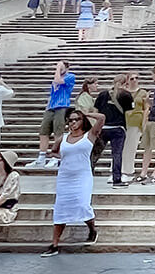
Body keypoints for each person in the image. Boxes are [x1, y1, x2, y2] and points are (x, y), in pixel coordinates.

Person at [42, 107, 104, 256]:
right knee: (60, 209)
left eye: (77, 119)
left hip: (82, 176)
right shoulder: (62, 138)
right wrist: (62, 159)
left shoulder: (89, 135)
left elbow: (101, 118)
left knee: (83, 204)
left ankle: (92, 229)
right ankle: (55, 244)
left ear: (82, 121)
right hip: (65, 177)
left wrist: (86, 113)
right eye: (70, 120)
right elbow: (54, 152)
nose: (73, 122)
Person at [31, 61, 74, 169]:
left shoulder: (70, 76)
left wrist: (59, 68)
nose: (59, 69)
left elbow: (58, 81)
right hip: (51, 106)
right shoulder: (57, 76)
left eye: (61, 67)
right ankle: (41, 157)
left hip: (62, 105)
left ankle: (55, 157)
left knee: (58, 131)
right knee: (43, 132)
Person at [92, 75, 133, 188]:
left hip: (103, 128)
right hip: (118, 128)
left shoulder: (102, 94)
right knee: (117, 154)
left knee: (95, 154)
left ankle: (87, 175)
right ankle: (116, 180)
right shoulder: (126, 95)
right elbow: (129, 113)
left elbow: (96, 111)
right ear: (125, 84)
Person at [122, 71, 146, 182]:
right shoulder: (123, 92)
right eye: (132, 78)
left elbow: (146, 109)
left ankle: (129, 171)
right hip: (124, 121)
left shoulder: (143, 93)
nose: (135, 80)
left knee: (131, 148)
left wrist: (144, 124)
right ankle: (119, 169)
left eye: (136, 78)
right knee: (121, 147)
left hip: (136, 121)